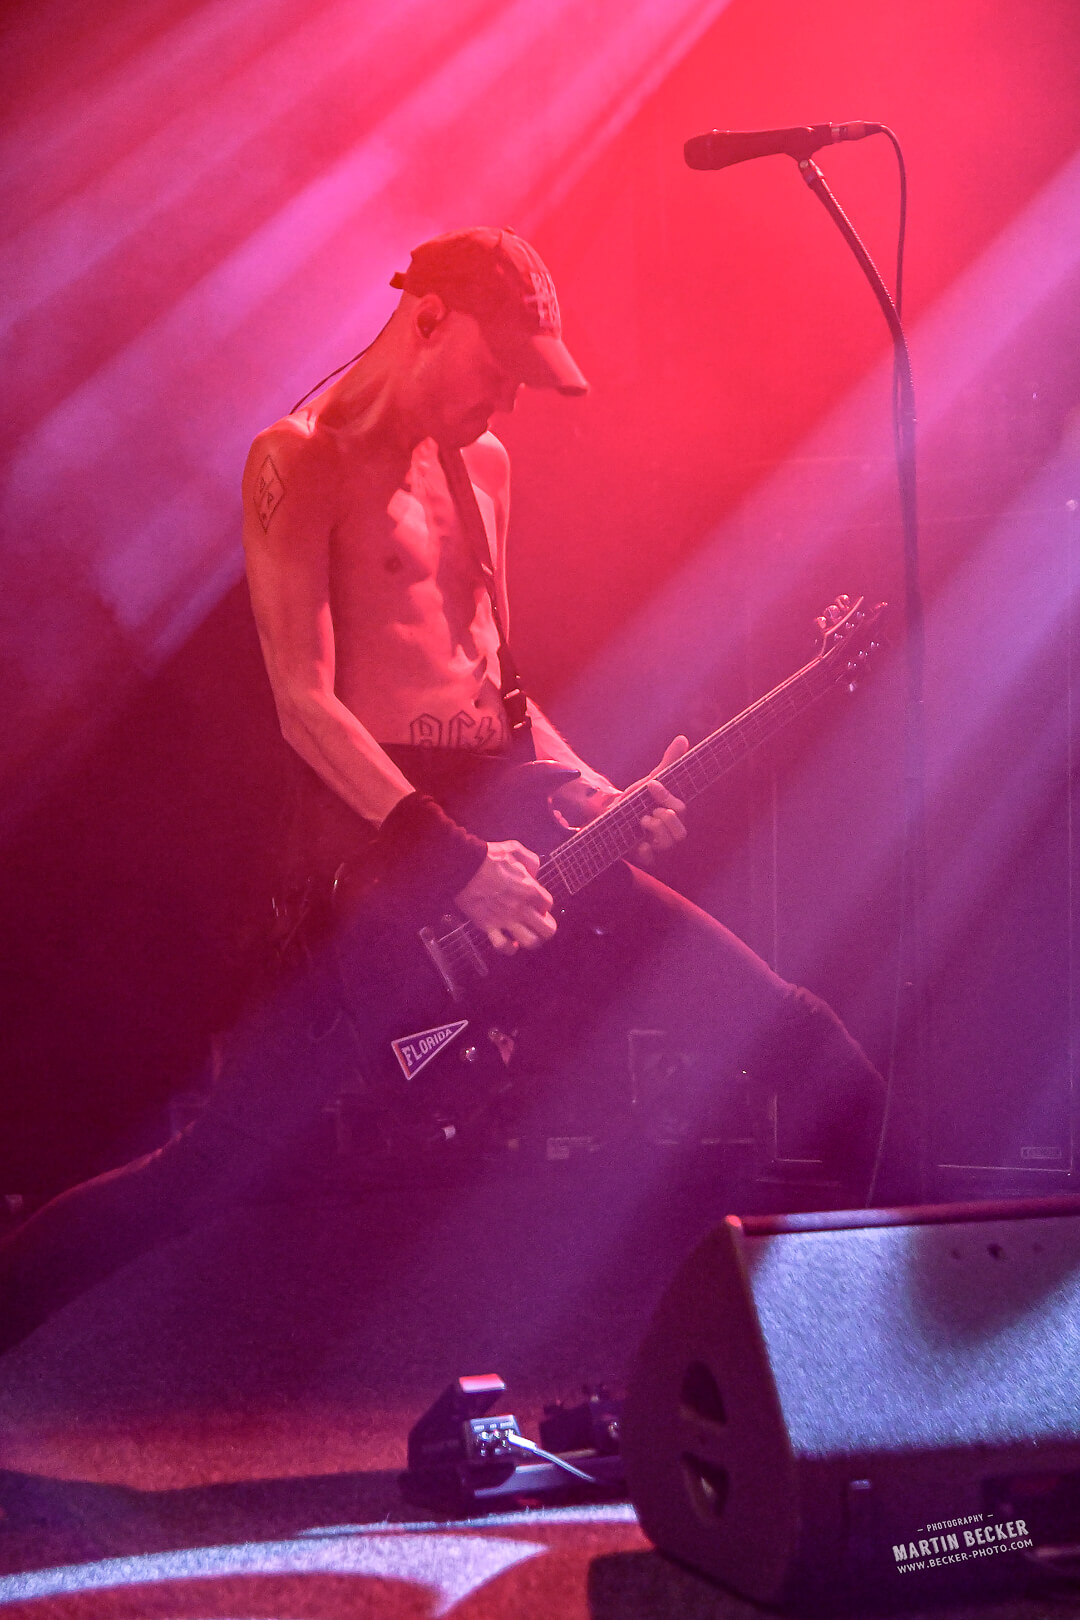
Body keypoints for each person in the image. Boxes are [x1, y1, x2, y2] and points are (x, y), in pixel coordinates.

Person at [0, 227, 884, 1355]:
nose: (506, 401)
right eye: (497, 369)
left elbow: (497, 680)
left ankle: (865, 1371)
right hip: (380, 860)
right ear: (427, 320)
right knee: (204, 1174)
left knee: (809, 1046)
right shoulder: (297, 460)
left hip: (512, 846)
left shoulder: (485, 467)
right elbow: (303, 703)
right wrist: (456, 862)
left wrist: (589, 788)